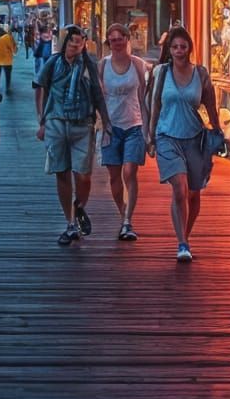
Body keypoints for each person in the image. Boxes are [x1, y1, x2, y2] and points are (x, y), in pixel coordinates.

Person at [146, 26, 225, 262]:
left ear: (190, 48)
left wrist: (217, 130)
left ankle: (185, 237)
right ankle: (181, 242)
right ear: (169, 50)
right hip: (167, 136)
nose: (179, 51)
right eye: (175, 47)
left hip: (195, 138)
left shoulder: (200, 73)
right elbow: (154, 105)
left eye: (183, 46)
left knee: (193, 193)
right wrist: (150, 136)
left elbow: (210, 103)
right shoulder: (161, 72)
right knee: (179, 188)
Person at [36, 27, 111, 247]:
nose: (75, 46)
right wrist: (42, 119)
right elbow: (40, 87)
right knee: (62, 171)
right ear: (64, 43)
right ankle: (70, 223)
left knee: (83, 175)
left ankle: (79, 206)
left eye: (79, 43)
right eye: (71, 42)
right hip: (57, 122)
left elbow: (97, 93)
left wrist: (106, 120)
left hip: (82, 123)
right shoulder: (53, 63)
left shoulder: (89, 65)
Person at [99, 24, 150, 240]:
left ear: (127, 39)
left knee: (129, 171)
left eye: (120, 39)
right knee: (114, 176)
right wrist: (100, 126)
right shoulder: (103, 65)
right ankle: (122, 214)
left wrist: (149, 130)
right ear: (108, 43)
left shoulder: (138, 65)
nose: (117, 43)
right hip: (111, 126)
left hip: (134, 124)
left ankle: (128, 219)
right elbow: (98, 98)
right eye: (113, 40)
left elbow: (146, 97)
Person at [0, 27, 16, 102]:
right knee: (8, 74)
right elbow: (12, 48)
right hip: (7, 59)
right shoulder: (7, 37)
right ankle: (7, 88)